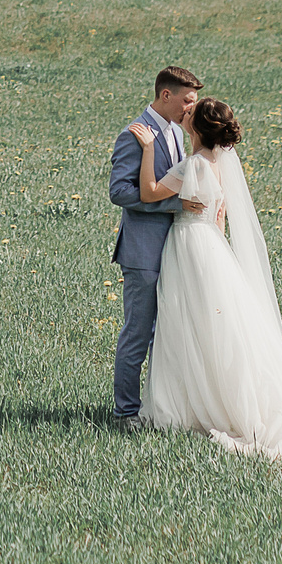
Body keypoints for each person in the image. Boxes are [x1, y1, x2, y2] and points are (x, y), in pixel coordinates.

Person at [127, 97, 282, 458]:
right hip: (210, 245)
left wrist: (149, 149)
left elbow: (149, 192)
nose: (185, 114)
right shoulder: (217, 164)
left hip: (187, 244)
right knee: (214, 324)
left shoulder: (194, 164)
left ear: (197, 129)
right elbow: (220, 216)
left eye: (190, 114)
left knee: (186, 320)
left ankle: (186, 405)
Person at [108, 67, 207, 429]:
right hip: (143, 252)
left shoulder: (174, 134)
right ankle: (125, 413)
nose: (189, 108)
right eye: (186, 100)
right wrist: (175, 205)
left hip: (173, 251)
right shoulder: (134, 134)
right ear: (166, 96)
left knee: (167, 335)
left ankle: (158, 409)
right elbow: (119, 192)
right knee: (138, 333)